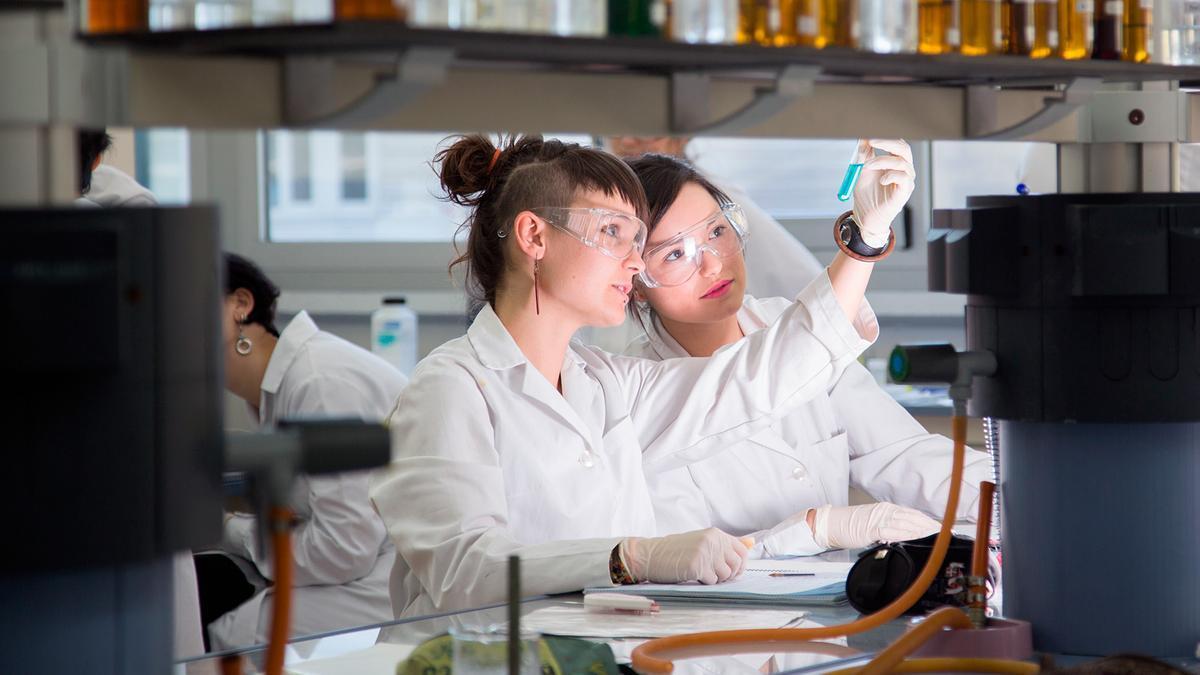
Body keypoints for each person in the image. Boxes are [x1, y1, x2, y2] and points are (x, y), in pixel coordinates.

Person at [369, 134, 888, 618]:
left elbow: (759, 379)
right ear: (535, 235)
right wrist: (629, 558)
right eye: (612, 232)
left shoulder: (607, 383)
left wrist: (865, 238)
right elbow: (465, 570)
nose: (637, 263)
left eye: (637, 239)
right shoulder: (450, 388)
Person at [622, 148, 993, 557]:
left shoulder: (785, 325)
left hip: (838, 602)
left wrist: (1022, 496)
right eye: (674, 253)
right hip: (733, 616)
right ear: (635, 281)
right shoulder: (635, 396)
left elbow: (901, 454)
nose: (713, 265)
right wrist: (815, 529)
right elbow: (680, 560)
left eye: (716, 232)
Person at [203, 253, 407, 650]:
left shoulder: (318, 381)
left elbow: (344, 548)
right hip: (366, 567)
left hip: (391, 579)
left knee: (227, 638)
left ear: (240, 305)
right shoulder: (276, 391)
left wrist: (229, 529)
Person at [607, 135, 825, 300]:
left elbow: (808, 287)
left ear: (679, 136)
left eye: (717, 232)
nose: (627, 141)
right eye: (675, 253)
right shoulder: (611, 207)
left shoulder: (708, 199)